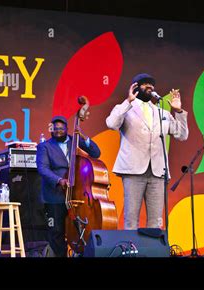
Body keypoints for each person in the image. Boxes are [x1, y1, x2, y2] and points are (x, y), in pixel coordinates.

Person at [106, 73, 189, 230]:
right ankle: (131, 253)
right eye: (145, 84)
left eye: (151, 85)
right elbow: (111, 123)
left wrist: (178, 112)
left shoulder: (161, 112)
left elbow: (182, 135)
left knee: (156, 222)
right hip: (133, 170)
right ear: (135, 87)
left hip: (157, 172)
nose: (149, 87)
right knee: (131, 220)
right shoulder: (125, 109)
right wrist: (128, 101)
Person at [36, 115, 101, 257]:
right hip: (55, 196)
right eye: (55, 128)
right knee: (57, 233)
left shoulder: (75, 140)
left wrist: (82, 135)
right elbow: (43, 169)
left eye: (61, 128)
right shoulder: (44, 146)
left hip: (78, 195)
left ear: (66, 128)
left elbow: (96, 153)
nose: (58, 131)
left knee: (82, 229)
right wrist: (59, 180)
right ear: (51, 129)